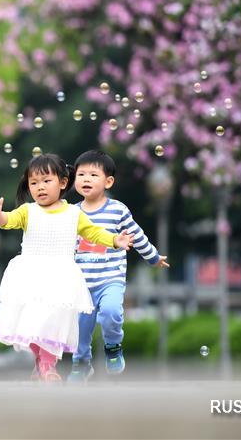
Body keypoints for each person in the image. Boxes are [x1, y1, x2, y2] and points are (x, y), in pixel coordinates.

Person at [0, 153, 133, 382]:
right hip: (31, 276)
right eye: (33, 183)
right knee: (34, 323)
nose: (39, 187)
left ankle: (47, 365)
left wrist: (115, 240)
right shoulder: (28, 211)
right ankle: (41, 363)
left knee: (52, 322)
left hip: (61, 278)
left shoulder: (75, 214)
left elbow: (93, 233)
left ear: (63, 183)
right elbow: (9, 220)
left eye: (46, 181)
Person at [67, 150, 169, 381]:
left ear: (108, 181)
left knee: (111, 313)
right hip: (81, 284)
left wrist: (152, 256)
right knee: (80, 328)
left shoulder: (118, 210)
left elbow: (137, 235)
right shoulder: (71, 213)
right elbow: (63, 245)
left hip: (109, 279)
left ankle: (113, 346)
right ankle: (81, 363)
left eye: (93, 175)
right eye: (81, 174)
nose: (85, 179)